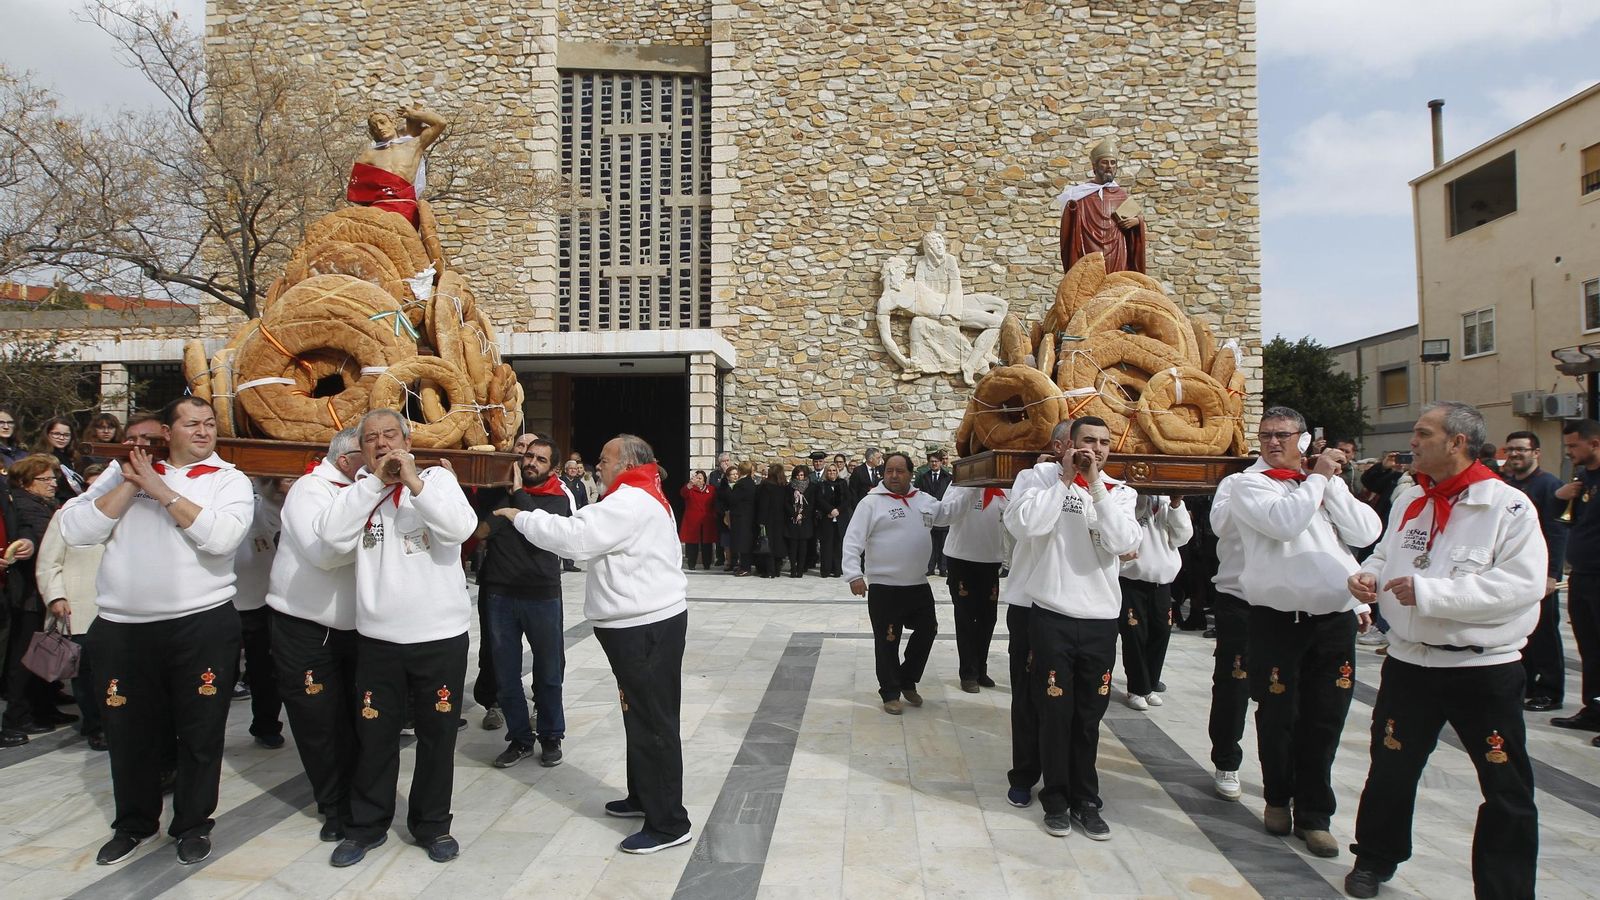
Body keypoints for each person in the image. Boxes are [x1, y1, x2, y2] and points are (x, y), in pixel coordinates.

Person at [1343, 402, 1546, 899]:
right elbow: (1388, 553)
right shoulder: (1412, 498)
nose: (1411, 442)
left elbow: (1522, 584)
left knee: (1504, 783)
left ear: (1457, 442)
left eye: (1423, 433)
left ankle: (1505, 889)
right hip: (1411, 663)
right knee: (1391, 767)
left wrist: (1432, 594)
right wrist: (1369, 574)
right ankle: (1374, 857)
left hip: (1481, 667)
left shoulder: (1507, 506)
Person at [59, 397, 254, 867]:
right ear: (169, 431)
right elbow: (76, 530)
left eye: (209, 423)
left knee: (200, 731)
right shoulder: (122, 471)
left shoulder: (227, 478)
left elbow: (223, 538)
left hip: (201, 624)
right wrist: (132, 483)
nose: (203, 431)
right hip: (123, 627)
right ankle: (134, 823)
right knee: (128, 731)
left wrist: (160, 489)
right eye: (192, 424)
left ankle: (192, 824)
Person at [498, 433, 693, 854]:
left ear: (627, 464)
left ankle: (669, 824)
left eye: (604, 459)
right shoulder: (636, 493)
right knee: (638, 715)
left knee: (653, 723)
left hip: (644, 627)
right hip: (640, 624)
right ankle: (644, 796)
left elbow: (576, 539)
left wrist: (521, 516)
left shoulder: (630, 501)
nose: (597, 465)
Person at [316, 409, 478, 867]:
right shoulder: (357, 491)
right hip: (379, 640)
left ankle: (433, 824)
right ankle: (366, 826)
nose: (382, 443)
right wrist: (375, 484)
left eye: (391, 435)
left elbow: (460, 529)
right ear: (361, 449)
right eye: (371, 438)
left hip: (439, 637)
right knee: (375, 737)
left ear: (407, 441)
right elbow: (329, 537)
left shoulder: (437, 481)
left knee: (437, 737)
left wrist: (412, 482)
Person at [1224, 407, 1380, 858]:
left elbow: (1364, 533)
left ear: (1304, 439)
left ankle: (1315, 815)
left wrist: (1330, 485)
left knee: (1325, 717)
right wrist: (1317, 481)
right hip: (1278, 620)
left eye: (1283, 435)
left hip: (1331, 621)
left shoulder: (1320, 483)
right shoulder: (1249, 484)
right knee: (1278, 714)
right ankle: (1278, 797)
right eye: (1266, 436)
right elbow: (1284, 523)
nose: (1274, 443)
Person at [1004, 418, 1140, 840]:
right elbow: (1025, 526)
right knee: (1049, 712)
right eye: (1087, 441)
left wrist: (1095, 484)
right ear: (1066, 445)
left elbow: (1124, 542)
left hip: (1100, 619)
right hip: (1050, 613)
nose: (1095, 450)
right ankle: (1055, 797)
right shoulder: (1041, 481)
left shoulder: (1120, 492)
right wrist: (1065, 479)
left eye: (1103, 443)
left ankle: (1086, 799)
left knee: (1088, 717)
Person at [265, 425, 363, 843]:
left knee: (359, 719)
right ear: (345, 460)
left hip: (358, 626)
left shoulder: (370, 489)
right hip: (306, 624)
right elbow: (325, 554)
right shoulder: (310, 489)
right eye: (368, 450)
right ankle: (334, 804)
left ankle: (361, 796)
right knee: (318, 720)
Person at [479, 438, 571, 769]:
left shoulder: (558, 499)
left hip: (541, 595)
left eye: (540, 459)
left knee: (548, 672)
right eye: (528, 456)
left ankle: (551, 735)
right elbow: (481, 531)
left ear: (553, 467)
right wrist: (506, 504)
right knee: (505, 673)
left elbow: (541, 533)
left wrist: (517, 499)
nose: (531, 462)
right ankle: (519, 738)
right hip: (500, 594)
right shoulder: (499, 491)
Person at [843, 451, 949, 714]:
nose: (893, 475)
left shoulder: (923, 500)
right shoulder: (871, 503)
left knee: (928, 629)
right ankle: (890, 692)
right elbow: (853, 539)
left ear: (911, 474)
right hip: (884, 586)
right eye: (889, 470)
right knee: (888, 639)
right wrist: (854, 574)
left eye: (900, 471)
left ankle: (907, 679)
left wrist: (968, 488)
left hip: (917, 583)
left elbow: (947, 514)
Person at [35, 461, 109, 750]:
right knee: (85, 673)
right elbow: (48, 562)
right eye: (91, 485)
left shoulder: (127, 515)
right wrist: (56, 596)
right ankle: (95, 725)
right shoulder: (66, 515)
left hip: (117, 609)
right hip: (79, 608)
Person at [2, 454, 74, 742]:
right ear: (25, 482)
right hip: (29, 592)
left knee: (43, 654)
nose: (52, 484)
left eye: (54, 478)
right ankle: (17, 717)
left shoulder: (45, 504)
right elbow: (42, 538)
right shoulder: (24, 505)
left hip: (40, 590)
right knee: (25, 658)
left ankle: (44, 708)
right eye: (45, 479)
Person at [1500, 431, 1570, 712]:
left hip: (1540, 575)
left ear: (1536, 453)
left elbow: (1557, 531)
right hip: (1513, 573)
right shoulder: (1508, 486)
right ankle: (1527, 684)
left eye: (1521, 449)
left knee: (1545, 635)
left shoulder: (1548, 484)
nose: (1514, 454)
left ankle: (1550, 691)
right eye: (1510, 450)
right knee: (1522, 632)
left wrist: (1552, 574)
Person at [1117, 494, 1192, 710]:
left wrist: (1176, 504)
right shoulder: (1128, 496)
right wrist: (1141, 499)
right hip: (1132, 580)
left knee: (1161, 632)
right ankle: (1136, 688)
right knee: (1135, 636)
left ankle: (1149, 684)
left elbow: (1182, 537)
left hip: (1162, 582)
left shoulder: (1168, 500)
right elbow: (1125, 533)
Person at [1552, 417, 1600, 740]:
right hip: (1582, 574)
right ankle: (1593, 709)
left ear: (1594, 443)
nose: (1569, 451)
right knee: (1589, 646)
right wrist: (1560, 496)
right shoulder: (1582, 477)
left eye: (1573, 446)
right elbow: (1567, 519)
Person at [939, 480, 1008, 693]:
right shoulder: (960, 483)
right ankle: (968, 673)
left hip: (990, 560)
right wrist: (971, 488)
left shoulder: (1004, 485)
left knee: (988, 619)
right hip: (962, 559)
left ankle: (980, 668)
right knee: (966, 619)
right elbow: (946, 514)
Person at [1057, 136, 1146, 274]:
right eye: (1104, 162)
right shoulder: (1081, 196)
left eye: (1113, 163)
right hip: (1089, 255)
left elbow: (1135, 225)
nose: (1109, 166)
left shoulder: (1121, 195)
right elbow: (1071, 231)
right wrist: (1072, 211)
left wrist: (1137, 221)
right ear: (1094, 166)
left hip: (1118, 255)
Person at [347, 107, 446, 227]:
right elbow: (358, 190)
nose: (379, 128)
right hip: (379, 209)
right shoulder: (369, 155)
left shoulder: (414, 145)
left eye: (382, 122)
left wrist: (414, 114)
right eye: (374, 127)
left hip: (405, 208)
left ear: (393, 123)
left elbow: (440, 123)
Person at [915, 450, 953, 577]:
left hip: (942, 511)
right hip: (928, 513)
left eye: (936, 461)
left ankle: (943, 568)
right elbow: (919, 493)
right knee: (930, 542)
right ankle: (930, 567)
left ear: (941, 462)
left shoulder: (948, 477)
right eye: (931, 461)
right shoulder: (924, 477)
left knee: (943, 541)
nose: (934, 464)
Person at [34, 416, 86, 502]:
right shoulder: (41, 458)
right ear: (47, 434)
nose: (61, 438)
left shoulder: (73, 456)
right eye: (56, 434)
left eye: (66, 435)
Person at [813, 463, 850, 579]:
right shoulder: (821, 485)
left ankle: (837, 570)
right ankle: (826, 570)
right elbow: (819, 500)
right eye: (829, 471)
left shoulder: (842, 483)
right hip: (826, 518)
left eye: (834, 470)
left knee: (838, 545)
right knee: (826, 545)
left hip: (840, 518)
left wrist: (838, 510)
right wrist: (830, 510)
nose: (832, 473)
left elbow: (847, 499)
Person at [754, 463, 789, 578]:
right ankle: (777, 569)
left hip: (769, 519)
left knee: (768, 544)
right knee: (778, 544)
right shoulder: (784, 487)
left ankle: (769, 571)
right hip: (781, 519)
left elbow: (763, 505)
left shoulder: (766, 487)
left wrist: (761, 521)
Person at [678, 470, 718, 570]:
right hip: (692, 520)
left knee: (707, 543)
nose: (698, 480)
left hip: (707, 520)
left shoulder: (711, 489)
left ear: (704, 480)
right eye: (697, 478)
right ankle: (691, 564)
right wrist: (690, 484)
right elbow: (683, 493)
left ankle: (707, 564)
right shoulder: (690, 489)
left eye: (700, 478)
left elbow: (715, 503)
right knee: (692, 543)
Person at [725, 462, 757, 576]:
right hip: (749, 516)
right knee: (745, 541)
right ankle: (743, 565)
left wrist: (729, 489)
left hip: (741, 517)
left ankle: (745, 567)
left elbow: (733, 499)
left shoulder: (741, 484)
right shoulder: (751, 482)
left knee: (742, 542)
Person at [782, 465, 814, 578]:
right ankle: (793, 568)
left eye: (801, 475)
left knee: (803, 547)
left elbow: (811, 504)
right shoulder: (789, 487)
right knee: (793, 546)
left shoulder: (810, 487)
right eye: (797, 475)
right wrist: (795, 514)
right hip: (792, 520)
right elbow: (786, 503)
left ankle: (800, 569)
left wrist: (802, 514)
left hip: (805, 521)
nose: (799, 477)